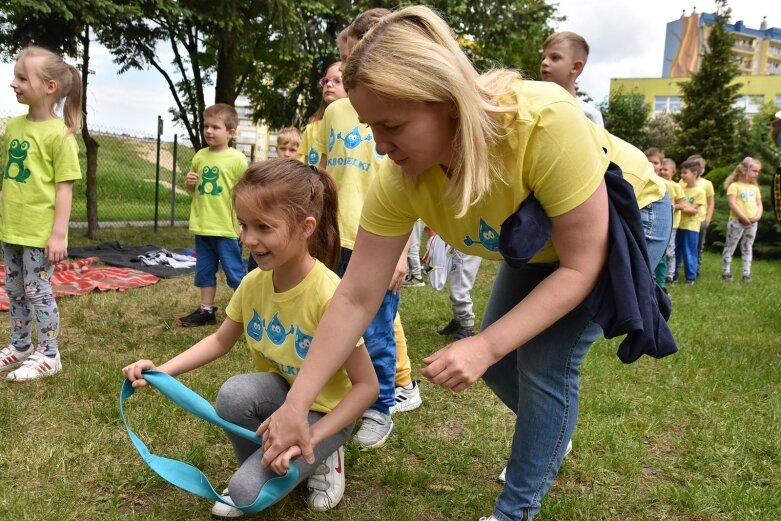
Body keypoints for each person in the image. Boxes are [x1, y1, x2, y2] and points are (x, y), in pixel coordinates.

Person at [258, 7, 670, 520]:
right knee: (501, 369)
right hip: (538, 238)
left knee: (543, 362)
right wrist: (297, 404)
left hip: (629, 214)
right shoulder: (400, 178)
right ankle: (551, 432)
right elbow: (357, 296)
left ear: (447, 100)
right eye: (370, 128)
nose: (381, 148)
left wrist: (485, 342)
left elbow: (580, 266)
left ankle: (514, 509)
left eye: (392, 126)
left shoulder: (541, 121)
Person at [122, 159, 378, 518]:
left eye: (263, 227)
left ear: (306, 228)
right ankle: (262, 467)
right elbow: (219, 341)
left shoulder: (329, 294)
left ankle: (323, 460)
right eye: (243, 224)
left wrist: (314, 436)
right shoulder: (254, 282)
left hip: (325, 414)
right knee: (234, 394)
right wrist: (160, 371)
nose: (248, 238)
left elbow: (367, 387)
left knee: (243, 493)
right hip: (284, 398)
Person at [314, 8, 421, 445]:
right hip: (334, 239)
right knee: (333, 320)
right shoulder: (337, 114)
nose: (344, 67)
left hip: (379, 242)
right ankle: (345, 396)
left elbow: (410, 187)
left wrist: (400, 253)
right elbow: (321, 175)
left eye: (351, 55)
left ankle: (380, 408)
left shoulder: (402, 111)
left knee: (376, 328)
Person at [0, 47, 82, 382]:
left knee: (37, 291)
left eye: (22, 77)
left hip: (39, 233)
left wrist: (58, 235)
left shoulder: (60, 135)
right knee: (14, 289)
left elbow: (64, 188)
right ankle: (19, 346)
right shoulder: (13, 126)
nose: (13, 83)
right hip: (12, 229)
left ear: (49, 87)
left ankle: (50, 353)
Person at [178, 103, 248, 327]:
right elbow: (194, 188)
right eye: (206, 126)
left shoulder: (237, 159)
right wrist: (189, 184)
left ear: (230, 132)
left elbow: (245, 193)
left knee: (235, 273)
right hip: (202, 226)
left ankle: (249, 311)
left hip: (226, 228)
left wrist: (243, 224)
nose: (208, 131)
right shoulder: (199, 156)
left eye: (215, 127)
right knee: (204, 271)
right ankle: (206, 311)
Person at [540, 31, 604, 127]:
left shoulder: (589, 115)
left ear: (575, 67)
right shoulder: (528, 106)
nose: (544, 62)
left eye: (554, 57)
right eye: (543, 58)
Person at [721, 157, 762, 282]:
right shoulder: (734, 186)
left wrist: (757, 216)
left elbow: (759, 204)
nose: (757, 174)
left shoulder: (755, 188)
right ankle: (726, 270)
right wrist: (743, 217)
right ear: (745, 170)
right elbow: (732, 203)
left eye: (758, 171)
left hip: (752, 223)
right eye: (754, 170)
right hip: (736, 222)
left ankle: (746, 272)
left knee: (747, 246)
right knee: (731, 245)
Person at [299, 61, 347, 167]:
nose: (328, 84)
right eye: (325, 81)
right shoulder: (311, 129)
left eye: (337, 81)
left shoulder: (363, 124)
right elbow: (305, 169)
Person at [674, 160, 706, 285]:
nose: (682, 176)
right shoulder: (681, 188)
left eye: (684, 173)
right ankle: (673, 275)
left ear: (694, 173)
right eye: (681, 173)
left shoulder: (699, 192)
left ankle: (690, 278)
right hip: (678, 225)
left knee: (689, 252)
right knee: (676, 252)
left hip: (691, 227)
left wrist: (682, 207)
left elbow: (694, 211)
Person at [686, 154, 715, 276]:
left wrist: (708, 219)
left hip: (700, 219)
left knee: (698, 246)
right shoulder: (683, 181)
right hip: (685, 220)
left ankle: (696, 269)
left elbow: (710, 203)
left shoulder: (707, 184)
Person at [659, 158, 686, 284]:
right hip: (659, 223)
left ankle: (670, 274)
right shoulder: (657, 183)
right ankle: (655, 274)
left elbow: (682, 204)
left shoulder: (676, 186)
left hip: (672, 224)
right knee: (660, 250)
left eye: (666, 169)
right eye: (661, 169)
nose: (663, 172)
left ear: (673, 172)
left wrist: (670, 207)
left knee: (670, 250)